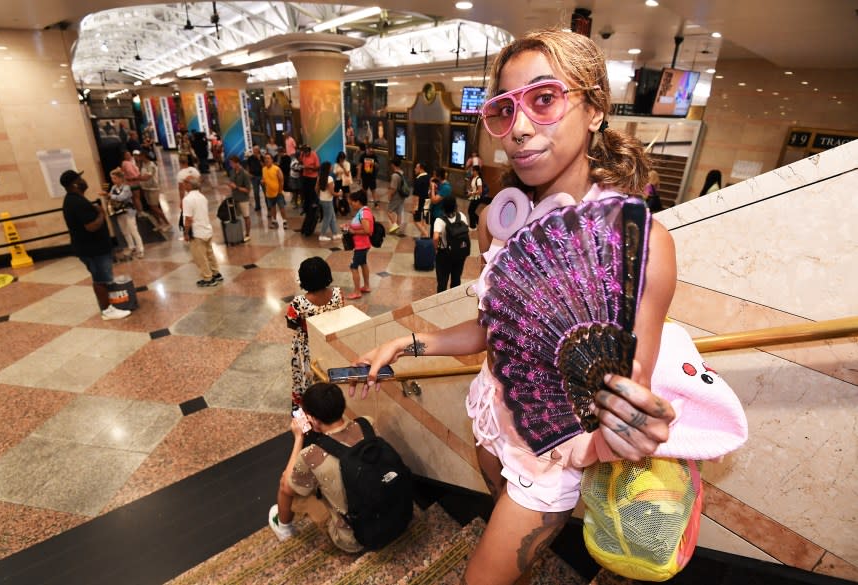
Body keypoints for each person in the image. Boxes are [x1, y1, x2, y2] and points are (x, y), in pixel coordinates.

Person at [351, 29, 679, 585]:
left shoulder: (642, 247)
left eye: (544, 99)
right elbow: (489, 331)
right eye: (503, 110)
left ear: (595, 108)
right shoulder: (497, 222)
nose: (519, 128)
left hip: (549, 457)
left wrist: (632, 423)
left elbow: (630, 384)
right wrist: (409, 343)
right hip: (490, 417)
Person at [268, 382, 369, 553]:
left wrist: (299, 437)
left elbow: (287, 484)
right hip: (387, 513)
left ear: (313, 419)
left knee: (290, 486)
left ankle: (284, 528)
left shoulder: (312, 455)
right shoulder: (367, 424)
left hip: (354, 539)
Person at [60, 169, 131, 321]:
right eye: (80, 179)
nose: (83, 181)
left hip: (91, 248)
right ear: (75, 184)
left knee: (101, 277)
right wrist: (101, 214)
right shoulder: (76, 202)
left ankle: (108, 306)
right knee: (100, 279)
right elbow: (91, 226)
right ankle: (107, 310)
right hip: (93, 249)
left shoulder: (74, 200)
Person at [285, 258, 344, 409]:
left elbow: (291, 323)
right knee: (327, 372)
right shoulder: (337, 293)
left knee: (306, 376)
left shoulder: (299, 302)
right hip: (330, 341)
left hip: (307, 346)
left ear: (303, 279)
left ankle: (305, 408)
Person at [180, 168, 222, 287]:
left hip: (197, 233)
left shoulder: (187, 199)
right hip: (207, 229)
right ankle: (216, 273)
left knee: (200, 257)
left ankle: (208, 278)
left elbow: (188, 219)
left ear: (189, 185)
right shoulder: (202, 197)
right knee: (209, 253)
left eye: (185, 182)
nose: (183, 184)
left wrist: (186, 233)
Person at [433, 195, 469, 292]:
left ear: (443, 207)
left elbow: (436, 237)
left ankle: (441, 303)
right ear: (455, 205)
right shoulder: (462, 216)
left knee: (442, 281)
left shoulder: (440, 220)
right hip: (460, 253)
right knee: (456, 279)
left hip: (445, 254)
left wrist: (436, 249)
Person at [105, 168, 144, 259]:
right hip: (119, 211)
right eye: (112, 178)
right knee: (124, 231)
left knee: (133, 230)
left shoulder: (126, 187)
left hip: (128, 211)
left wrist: (110, 196)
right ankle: (131, 246)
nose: (113, 180)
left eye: (114, 178)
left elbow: (121, 197)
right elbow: (111, 198)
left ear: (120, 178)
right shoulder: (113, 188)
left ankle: (140, 249)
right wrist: (109, 197)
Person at [341, 190, 374, 300]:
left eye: (352, 203)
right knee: (363, 263)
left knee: (353, 266)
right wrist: (347, 226)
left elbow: (368, 230)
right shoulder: (362, 212)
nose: (351, 205)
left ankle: (357, 292)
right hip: (362, 245)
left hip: (361, 246)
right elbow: (358, 225)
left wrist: (354, 232)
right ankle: (367, 286)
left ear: (358, 201)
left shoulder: (364, 213)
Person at [137, 150, 169, 230]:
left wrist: (135, 178)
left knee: (154, 207)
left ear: (144, 156)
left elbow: (148, 177)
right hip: (146, 188)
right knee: (151, 207)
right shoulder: (143, 164)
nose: (139, 158)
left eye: (140, 156)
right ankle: (159, 223)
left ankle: (167, 223)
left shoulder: (152, 165)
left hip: (153, 188)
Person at [227, 155, 252, 242]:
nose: (231, 165)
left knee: (246, 216)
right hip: (235, 198)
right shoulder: (232, 172)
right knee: (236, 217)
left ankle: (248, 234)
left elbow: (248, 190)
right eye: (230, 163)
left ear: (237, 163)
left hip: (243, 199)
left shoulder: (244, 174)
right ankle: (239, 233)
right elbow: (231, 181)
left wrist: (236, 187)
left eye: (232, 163)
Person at [261, 153, 288, 229]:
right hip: (269, 193)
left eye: (268, 158)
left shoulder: (276, 169)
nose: (267, 160)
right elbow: (264, 178)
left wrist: (280, 190)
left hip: (278, 192)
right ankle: (274, 221)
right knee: (272, 208)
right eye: (265, 158)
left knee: (281, 207)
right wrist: (263, 181)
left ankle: (285, 221)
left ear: (272, 160)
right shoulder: (263, 169)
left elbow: (281, 180)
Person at [385, 157, 407, 234]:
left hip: (396, 196)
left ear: (393, 165)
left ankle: (395, 225)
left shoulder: (394, 175)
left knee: (388, 211)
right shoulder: (401, 172)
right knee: (399, 212)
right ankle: (398, 229)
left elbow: (393, 188)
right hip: (402, 196)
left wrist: (390, 196)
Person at [299, 145, 320, 217]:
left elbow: (317, 167)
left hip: (313, 177)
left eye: (306, 152)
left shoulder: (314, 155)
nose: (305, 154)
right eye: (304, 152)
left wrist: (309, 167)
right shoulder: (302, 154)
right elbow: (301, 162)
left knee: (312, 193)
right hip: (305, 176)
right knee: (305, 193)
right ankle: (306, 209)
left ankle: (313, 210)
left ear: (309, 151)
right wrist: (300, 165)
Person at [358, 142, 379, 208]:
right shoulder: (363, 156)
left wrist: (375, 164)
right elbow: (360, 166)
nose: (371, 151)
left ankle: (375, 203)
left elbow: (378, 166)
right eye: (370, 150)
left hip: (372, 176)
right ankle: (365, 202)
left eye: (372, 150)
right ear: (367, 149)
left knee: (373, 190)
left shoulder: (374, 156)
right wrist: (358, 176)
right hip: (365, 176)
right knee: (364, 190)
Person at [246, 145, 265, 212]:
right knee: (256, 192)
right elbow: (248, 167)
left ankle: (268, 205)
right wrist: (249, 174)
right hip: (254, 177)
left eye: (257, 149)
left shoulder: (262, 157)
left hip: (261, 176)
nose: (256, 151)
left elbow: (264, 166)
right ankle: (258, 206)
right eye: (255, 149)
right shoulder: (250, 158)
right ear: (253, 150)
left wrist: (259, 159)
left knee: (265, 191)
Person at [466, 164, 484, 230]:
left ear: (476, 171)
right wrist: (470, 192)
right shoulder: (474, 178)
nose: (472, 172)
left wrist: (472, 193)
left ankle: (473, 226)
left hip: (477, 198)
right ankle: (480, 223)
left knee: (470, 211)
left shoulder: (479, 179)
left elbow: (480, 191)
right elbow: (474, 188)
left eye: (473, 171)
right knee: (471, 211)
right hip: (474, 197)